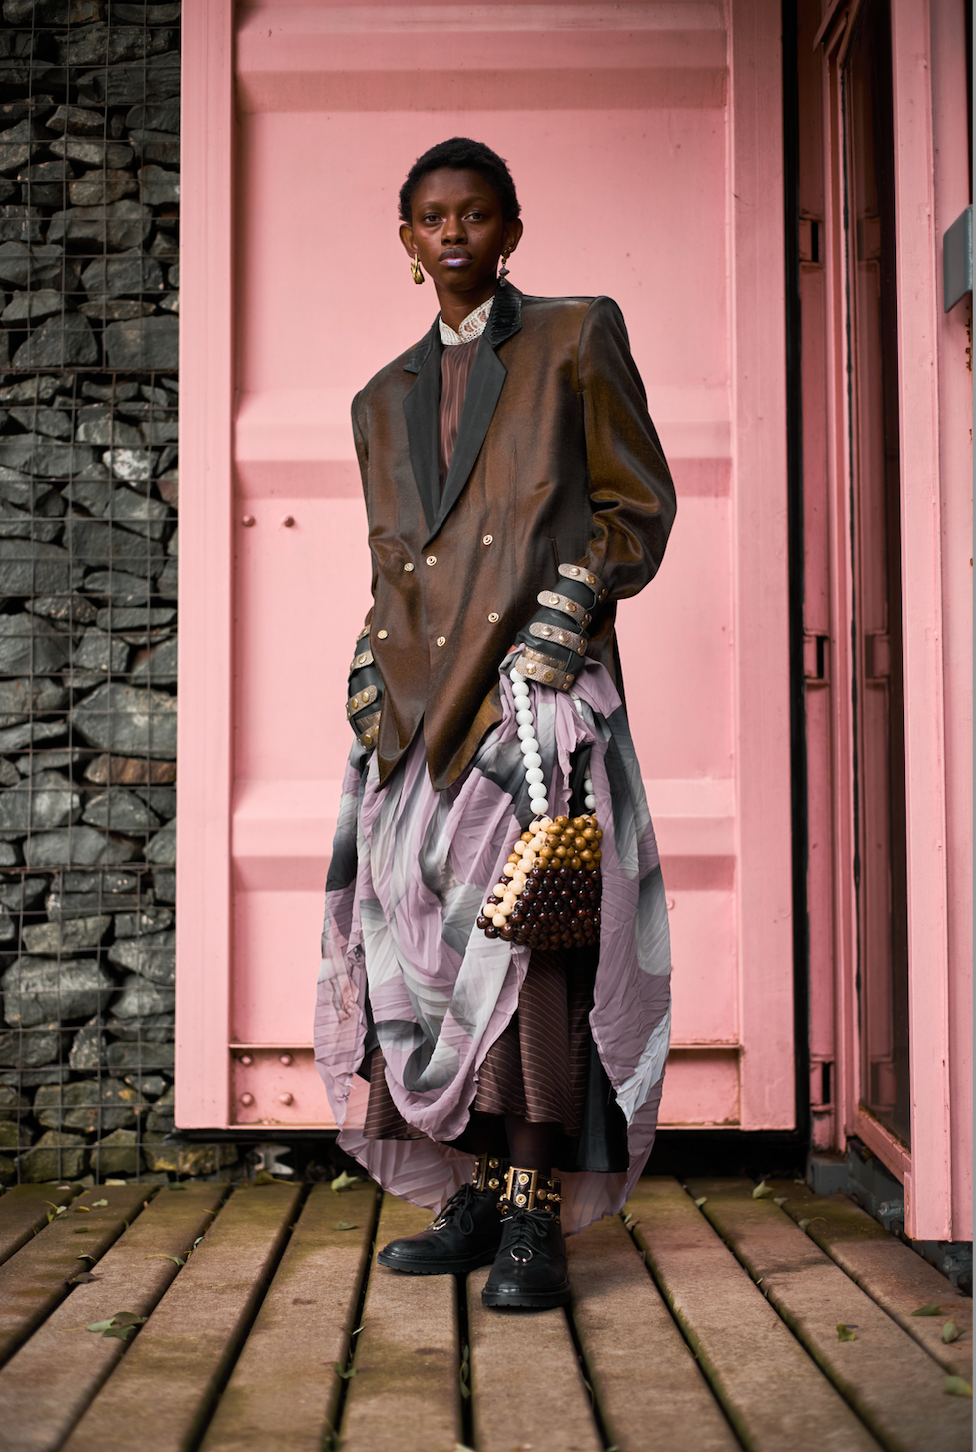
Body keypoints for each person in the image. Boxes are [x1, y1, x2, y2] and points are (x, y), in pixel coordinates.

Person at [315, 138, 676, 1311]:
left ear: (510, 231)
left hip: (530, 700)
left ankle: (533, 1217)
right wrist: (368, 668)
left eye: (475, 214)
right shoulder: (380, 399)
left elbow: (634, 506)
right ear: (408, 240)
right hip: (413, 718)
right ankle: (473, 1194)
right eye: (432, 218)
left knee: (533, 954)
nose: (454, 233)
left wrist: (570, 613)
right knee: (419, 956)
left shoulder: (575, 338)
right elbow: (396, 566)